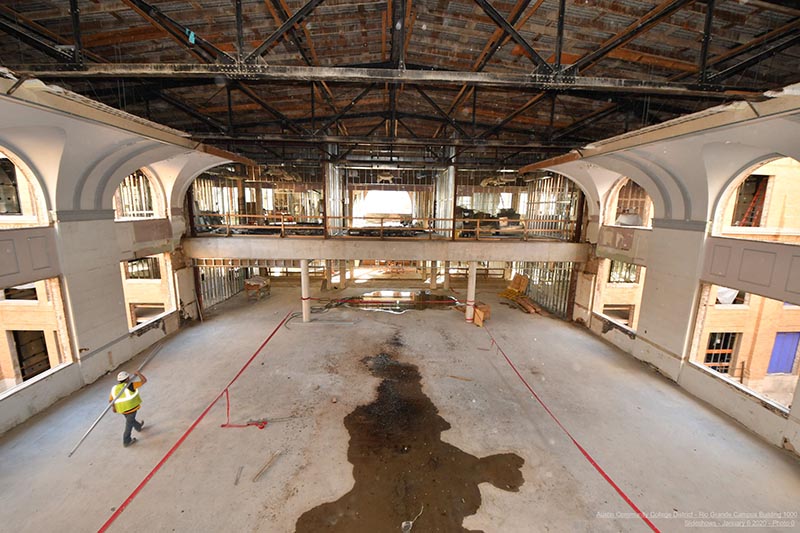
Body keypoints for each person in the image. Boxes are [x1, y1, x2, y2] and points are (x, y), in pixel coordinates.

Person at [110, 370, 147, 448]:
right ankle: (126, 441)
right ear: (127, 379)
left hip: (122, 409)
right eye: (128, 377)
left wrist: (114, 408)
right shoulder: (131, 385)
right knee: (128, 424)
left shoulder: (114, 388)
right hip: (131, 409)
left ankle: (138, 427)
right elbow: (144, 380)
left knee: (130, 420)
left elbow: (111, 400)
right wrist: (138, 374)